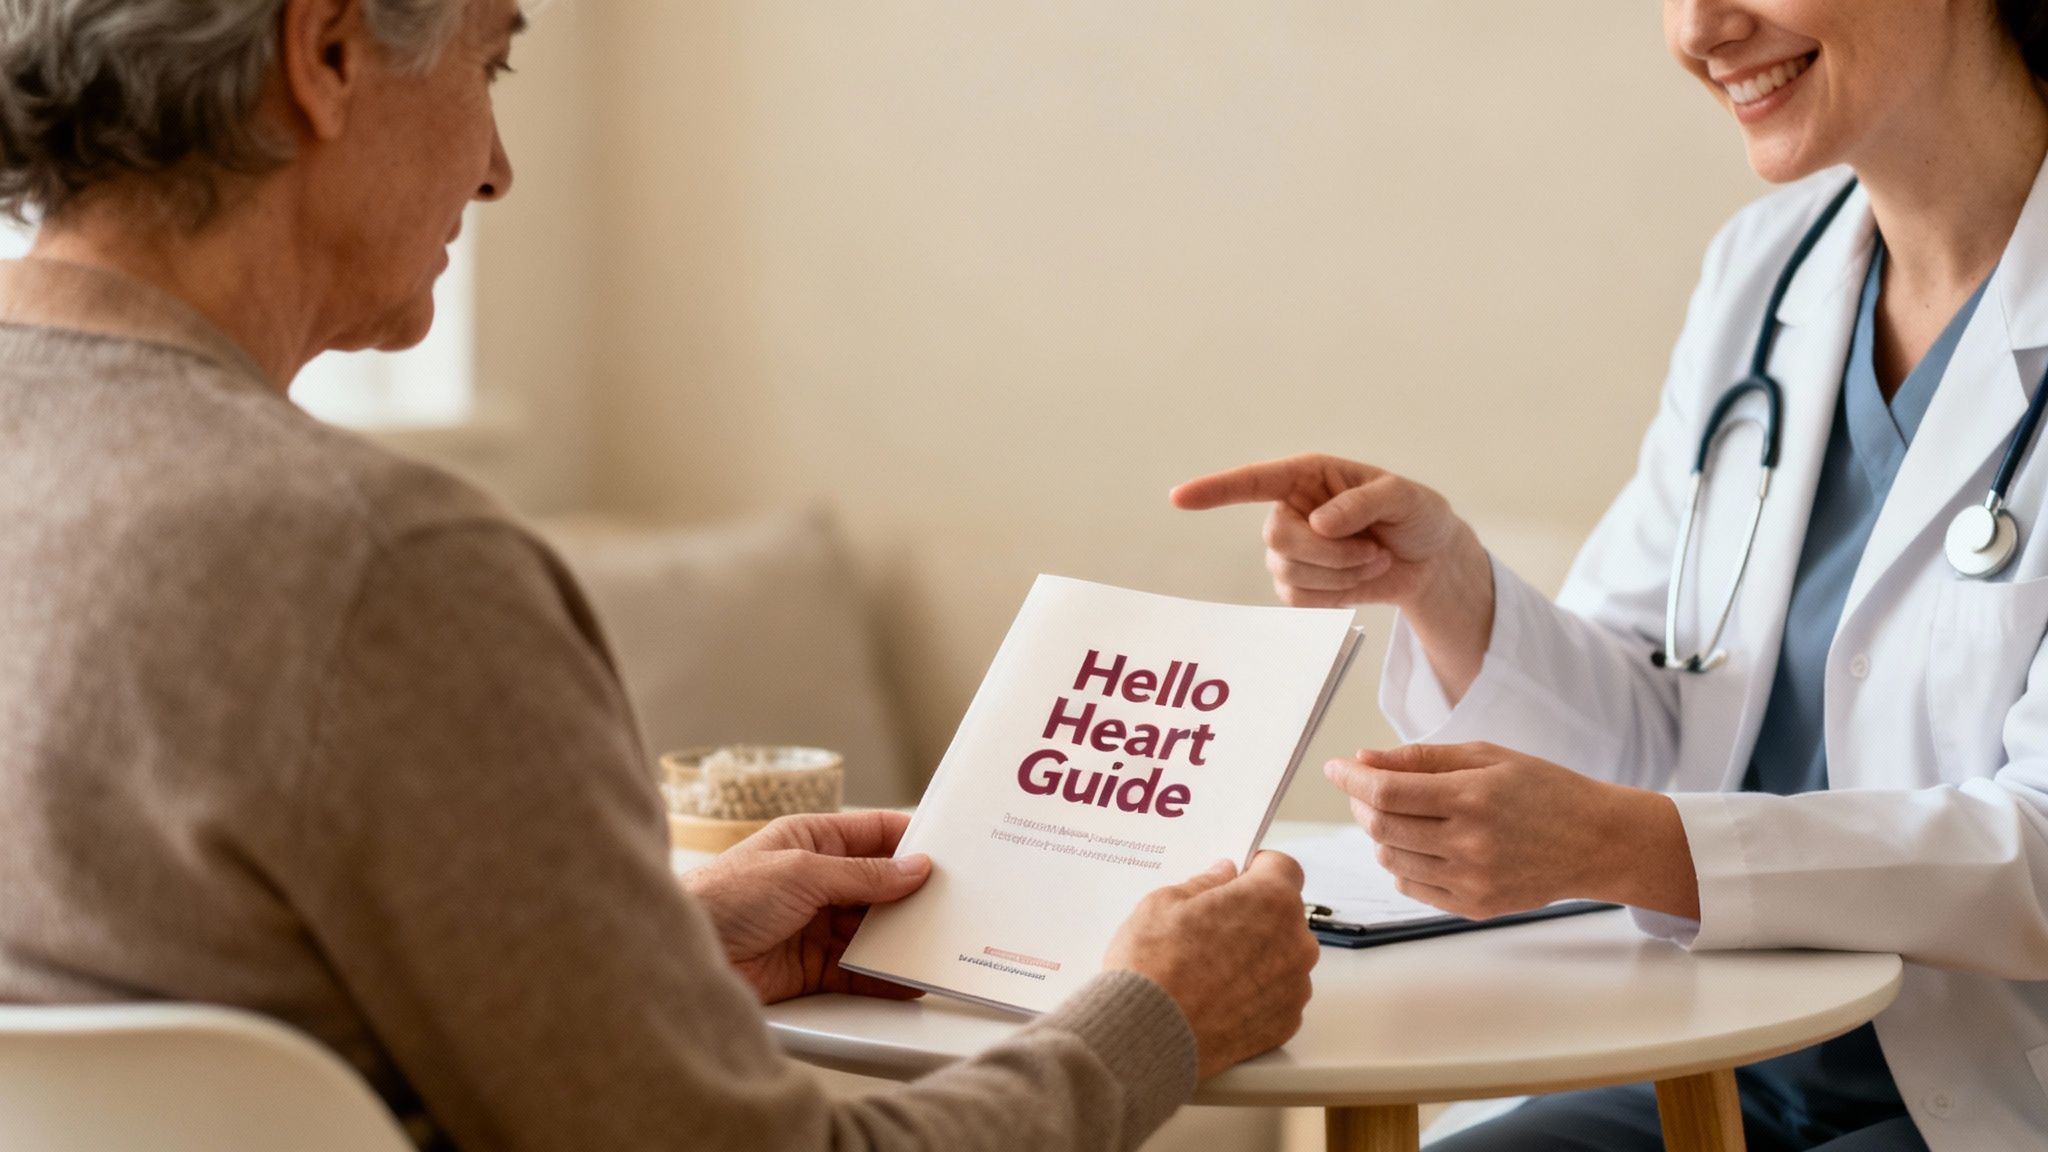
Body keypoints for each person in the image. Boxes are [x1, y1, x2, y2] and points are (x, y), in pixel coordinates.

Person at [0, 1, 1322, 1150]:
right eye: (493, 63)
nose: (500, 169)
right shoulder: (382, 571)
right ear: (329, 47)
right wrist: (1157, 1016)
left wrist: (655, 951)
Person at [1175, 1, 2048, 1149]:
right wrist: (1447, 590)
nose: (1699, 27)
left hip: (1989, 1090)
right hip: (1719, 1056)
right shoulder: (1765, 273)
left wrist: (1625, 844)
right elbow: (1656, 726)